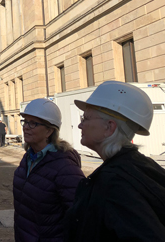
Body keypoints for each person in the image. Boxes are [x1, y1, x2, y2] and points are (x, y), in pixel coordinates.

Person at [65, 81, 165, 241]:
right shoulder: (140, 166)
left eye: (86, 118)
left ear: (109, 127)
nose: (79, 125)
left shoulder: (116, 183)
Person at [13, 98, 85, 241]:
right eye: (25, 121)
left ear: (49, 131)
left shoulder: (65, 167)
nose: (26, 127)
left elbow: (79, 216)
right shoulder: (29, 158)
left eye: (33, 123)